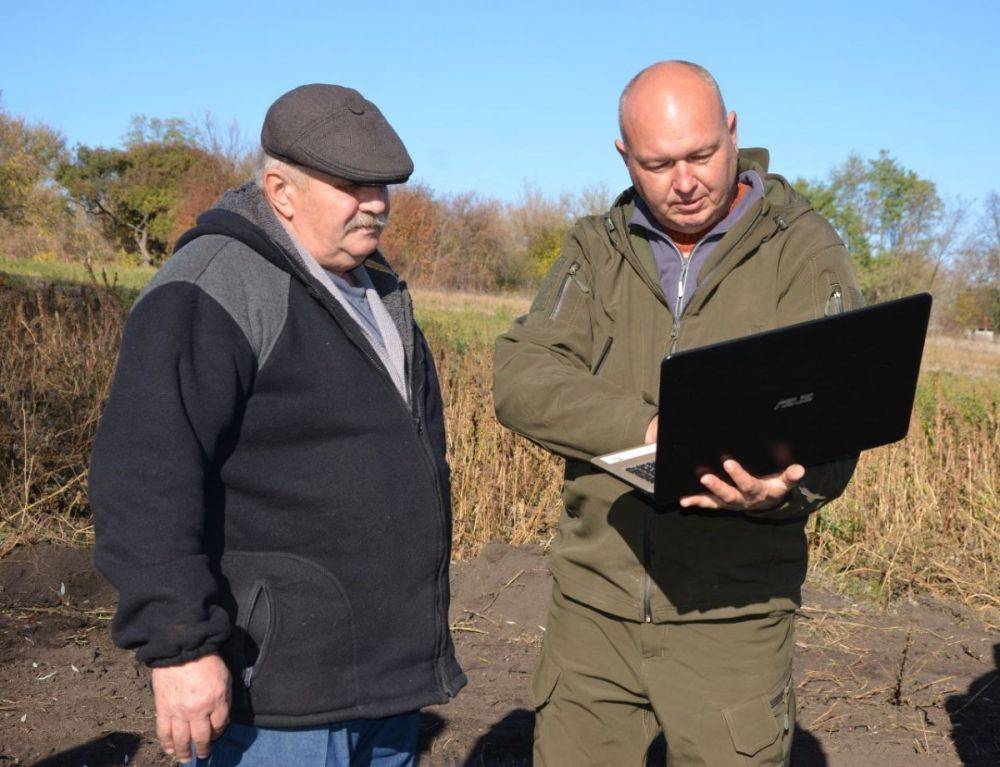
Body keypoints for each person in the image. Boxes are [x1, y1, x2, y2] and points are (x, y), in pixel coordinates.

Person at [494, 60, 862, 767]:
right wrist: (645, 430)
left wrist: (785, 489)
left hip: (733, 612)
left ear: (732, 133)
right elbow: (522, 374)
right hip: (593, 606)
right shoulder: (594, 248)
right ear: (625, 157)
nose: (685, 181)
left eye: (701, 154)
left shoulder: (804, 250)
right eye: (659, 164)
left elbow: (840, 418)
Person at [89, 83, 465, 766]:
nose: (375, 202)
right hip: (280, 697)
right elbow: (143, 477)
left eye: (381, 185)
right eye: (352, 184)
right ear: (280, 190)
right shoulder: (214, 286)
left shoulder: (379, 291)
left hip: (386, 681)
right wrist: (181, 646)